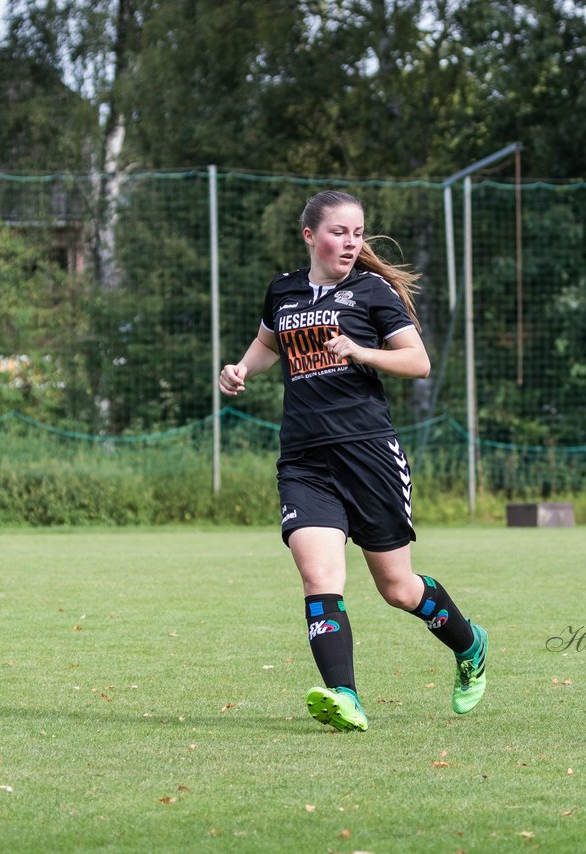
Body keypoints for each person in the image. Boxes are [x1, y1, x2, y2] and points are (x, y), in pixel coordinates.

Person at [217, 190, 488, 733]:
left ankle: (470, 644)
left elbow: (419, 362)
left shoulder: (371, 291)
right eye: (339, 232)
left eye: (358, 233)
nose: (350, 242)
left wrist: (363, 352)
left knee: (397, 589)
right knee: (319, 578)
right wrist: (240, 368)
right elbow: (270, 342)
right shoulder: (284, 291)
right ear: (310, 236)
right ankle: (345, 697)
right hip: (304, 459)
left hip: (368, 455)